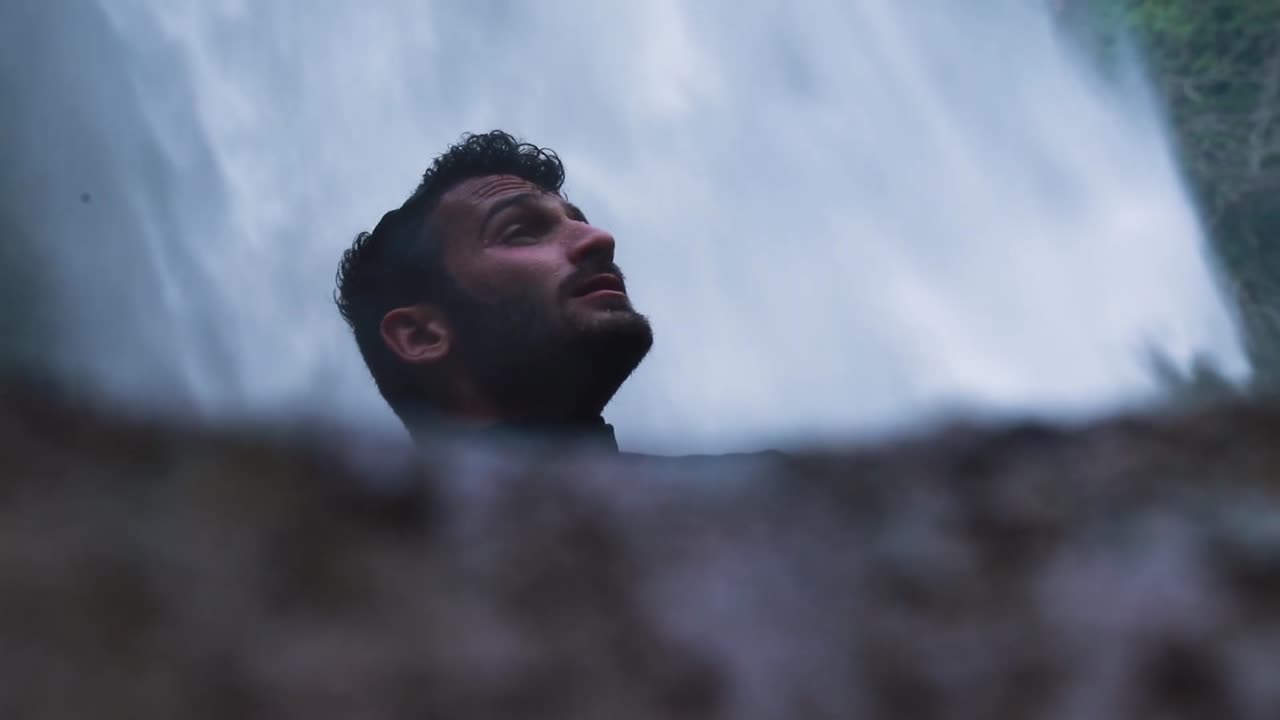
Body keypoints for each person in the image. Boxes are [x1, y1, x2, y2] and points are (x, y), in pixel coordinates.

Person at [335, 130, 653, 452]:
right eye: (521, 232)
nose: (600, 238)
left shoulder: (699, 499)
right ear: (421, 335)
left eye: (579, 221)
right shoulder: (311, 500)